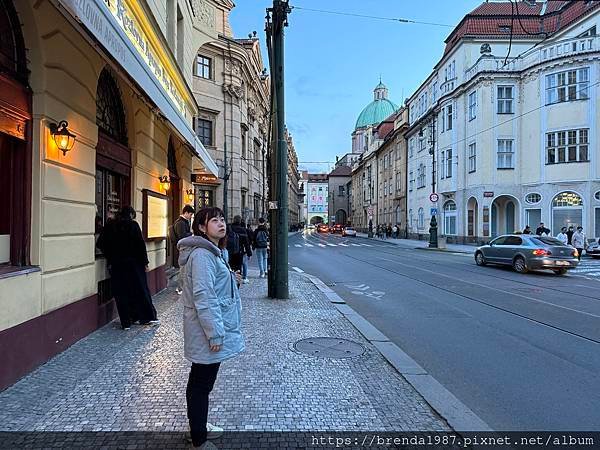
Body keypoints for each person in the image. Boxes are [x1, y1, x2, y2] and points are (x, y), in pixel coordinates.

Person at [177, 207, 244, 449]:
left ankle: (198, 428)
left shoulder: (214, 252)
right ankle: (198, 439)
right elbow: (204, 296)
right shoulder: (203, 256)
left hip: (207, 327)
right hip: (205, 329)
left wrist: (233, 281)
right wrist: (214, 333)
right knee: (201, 384)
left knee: (201, 380)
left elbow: (215, 287)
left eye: (222, 219)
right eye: (213, 220)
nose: (221, 223)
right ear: (201, 228)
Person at [96, 206, 158, 330]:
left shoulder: (110, 225)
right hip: (134, 265)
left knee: (121, 293)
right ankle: (145, 317)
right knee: (140, 291)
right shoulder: (133, 225)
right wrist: (145, 262)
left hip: (117, 265)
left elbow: (100, 244)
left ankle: (126, 322)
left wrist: (111, 256)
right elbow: (140, 245)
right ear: (130, 215)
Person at [170, 205, 195, 294]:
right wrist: (191, 234)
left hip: (184, 248)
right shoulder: (181, 223)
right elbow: (182, 237)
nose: (191, 216)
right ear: (186, 213)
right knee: (183, 269)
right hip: (183, 248)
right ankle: (180, 288)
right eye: (190, 214)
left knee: (184, 269)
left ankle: (182, 287)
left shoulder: (183, 222)